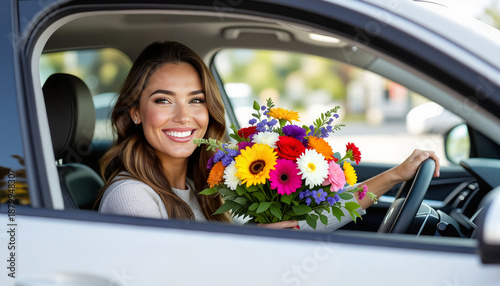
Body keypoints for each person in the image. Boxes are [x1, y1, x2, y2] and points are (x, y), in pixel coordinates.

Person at [96, 41, 440, 231]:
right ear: (136, 112)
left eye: (196, 100)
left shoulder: (211, 186)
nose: (184, 115)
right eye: (164, 100)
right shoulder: (132, 198)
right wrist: (253, 247)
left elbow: (300, 227)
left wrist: (395, 177)